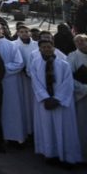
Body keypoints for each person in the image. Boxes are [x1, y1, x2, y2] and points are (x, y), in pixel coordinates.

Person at [30, 38, 82, 166]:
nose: (47, 49)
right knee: (47, 129)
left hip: (61, 103)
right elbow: (35, 83)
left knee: (65, 130)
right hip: (44, 102)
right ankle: (50, 154)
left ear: (53, 48)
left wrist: (57, 98)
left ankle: (67, 156)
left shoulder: (64, 64)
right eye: (44, 47)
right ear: (39, 49)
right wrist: (45, 98)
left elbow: (68, 83)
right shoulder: (35, 63)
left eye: (49, 47)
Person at [0, 22, 27, 146]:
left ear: (3, 30)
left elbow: (19, 63)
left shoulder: (11, 45)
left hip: (9, 82)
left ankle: (13, 137)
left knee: (11, 109)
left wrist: (0, 70)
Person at [66, 34, 87, 160]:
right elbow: (69, 78)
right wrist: (84, 88)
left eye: (83, 40)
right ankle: (83, 155)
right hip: (82, 96)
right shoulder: (72, 57)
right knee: (83, 126)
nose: (80, 42)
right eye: (77, 41)